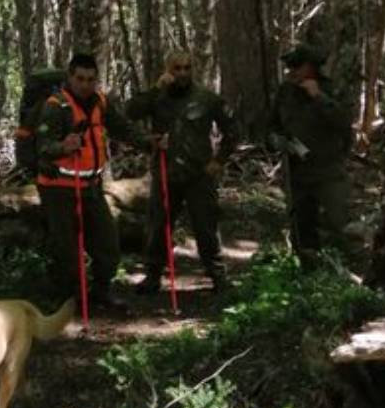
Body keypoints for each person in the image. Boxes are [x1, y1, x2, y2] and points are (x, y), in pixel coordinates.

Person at [35, 53, 158, 309]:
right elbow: (43, 147)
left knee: (108, 245)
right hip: (59, 189)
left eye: (91, 79)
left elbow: (122, 128)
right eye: (80, 79)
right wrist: (63, 147)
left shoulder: (101, 102)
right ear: (70, 77)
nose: (85, 84)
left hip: (91, 186)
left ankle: (101, 291)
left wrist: (148, 142)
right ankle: (70, 300)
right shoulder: (55, 106)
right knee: (66, 250)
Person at [127, 50, 240, 294]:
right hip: (166, 173)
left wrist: (219, 160)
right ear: (168, 69)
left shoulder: (206, 99)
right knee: (158, 226)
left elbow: (232, 130)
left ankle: (218, 276)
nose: (182, 73)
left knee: (206, 226)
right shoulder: (158, 97)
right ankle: (153, 276)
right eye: (177, 68)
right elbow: (131, 112)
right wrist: (156, 89)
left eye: (187, 68)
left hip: (199, 175)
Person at [269, 43, 354, 265]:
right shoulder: (285, 92)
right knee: (302, 229)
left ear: (311, 67)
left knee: (340, 225)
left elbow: (344, 122)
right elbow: (272, 125)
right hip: (297, 172)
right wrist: (276, 140)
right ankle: (309, 275)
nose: (291, 71)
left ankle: (347, 277)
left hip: (329, 171)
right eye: (289, 66)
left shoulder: (332, 90)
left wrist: (318, 97)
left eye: (297, 66)